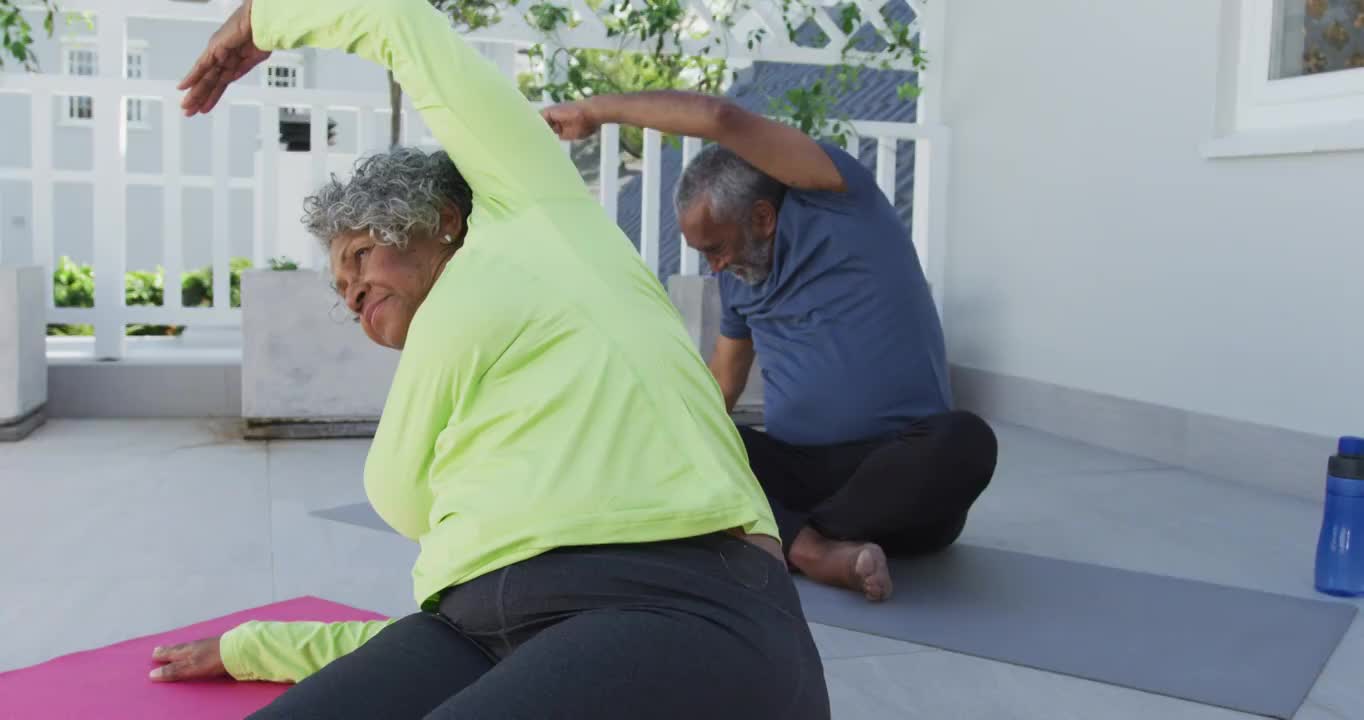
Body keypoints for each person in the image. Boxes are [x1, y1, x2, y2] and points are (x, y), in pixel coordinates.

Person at [147, 1, 830, 718]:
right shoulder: (467, 396)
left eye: (359, 257)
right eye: (341, 288)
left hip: (675, 593)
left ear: (442, 220)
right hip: (471, 628)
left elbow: (398, 23)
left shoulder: (530, 222)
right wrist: (253, 648)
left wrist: (264, 19)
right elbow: (485, 626)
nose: (350, 292)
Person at [543, 92, 999, 602]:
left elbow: (721, 118)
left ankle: (783, 536)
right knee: (686, 434)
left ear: (762, 217)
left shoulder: (838, 198)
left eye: (716, 247)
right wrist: (669, 442)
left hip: (897, 476)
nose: (713, 266)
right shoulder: (739, 281)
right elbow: (721, 387)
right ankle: (810, 549)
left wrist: (595, 112)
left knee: (967, 440)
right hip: (798, 470)